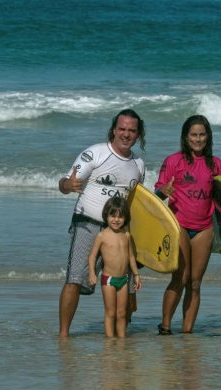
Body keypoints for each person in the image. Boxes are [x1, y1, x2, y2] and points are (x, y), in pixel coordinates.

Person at [58, 109, 146, 338]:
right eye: (122, 129)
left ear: (138, 134)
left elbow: (137, 204)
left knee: (123, 284)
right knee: (75, 279)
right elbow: (65, 183)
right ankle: (64, 336)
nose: (126, 134)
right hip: (87, 224)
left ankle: (121, 339)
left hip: (120, 231)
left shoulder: (139, 164)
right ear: (114, 130)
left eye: (132, 130)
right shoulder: (95, 153)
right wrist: (68, 185)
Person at [155, 115, 221, 335]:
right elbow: (157, 192)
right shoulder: (173, 161)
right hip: (179, 226)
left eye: (202, 135)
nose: (198, 139)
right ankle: (166, 326)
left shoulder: (215, 164)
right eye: (194, 135)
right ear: (185, 137)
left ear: (208, 137)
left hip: (205, 228)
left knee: (195, 283)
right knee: (181, 277)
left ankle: (187, 332)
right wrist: (163, 191)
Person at [88, 197, 142, 337]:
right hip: (109, 280)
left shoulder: (127, 235)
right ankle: (109, 342)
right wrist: (92, 274)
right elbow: (92, 256)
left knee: (122, 313)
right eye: (113, 216)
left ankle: (122, 340)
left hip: (124, 279)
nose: (116, 220)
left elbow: (131, 257)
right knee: (110, 313)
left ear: (125, 218)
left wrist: (136, 275)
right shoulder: (102, 236)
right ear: (106, 215)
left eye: (120, 216)